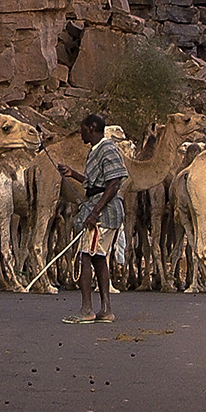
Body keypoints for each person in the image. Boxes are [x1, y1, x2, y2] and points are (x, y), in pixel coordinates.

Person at [58, 114, 127, 323]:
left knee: (85, 255)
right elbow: (95, 182)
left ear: (92, 127)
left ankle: (87, 309)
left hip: (103, 213)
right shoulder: (97, 151)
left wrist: (95, 212)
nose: (81, 133)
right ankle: (106, 310)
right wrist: (73, 174)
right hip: (100, 209)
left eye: (83, 128)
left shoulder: (108, 149)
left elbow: (114, 183)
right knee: (98, 257)